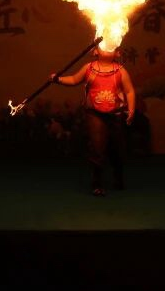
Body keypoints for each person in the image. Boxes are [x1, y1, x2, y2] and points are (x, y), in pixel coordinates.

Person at [51, 45, 136, 196]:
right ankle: (97, 183)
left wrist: (131, 109)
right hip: (95, 114)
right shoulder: (89, 68)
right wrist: (58, 79)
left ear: (117, 53)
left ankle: (118, 177)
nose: (107, 48)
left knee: (117, 149)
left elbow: (129, 91)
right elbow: (74, 79)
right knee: (97, 148)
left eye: (111, 47)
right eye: (103, 46)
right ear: (95, 51)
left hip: (115, 114)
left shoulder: (120, 71)